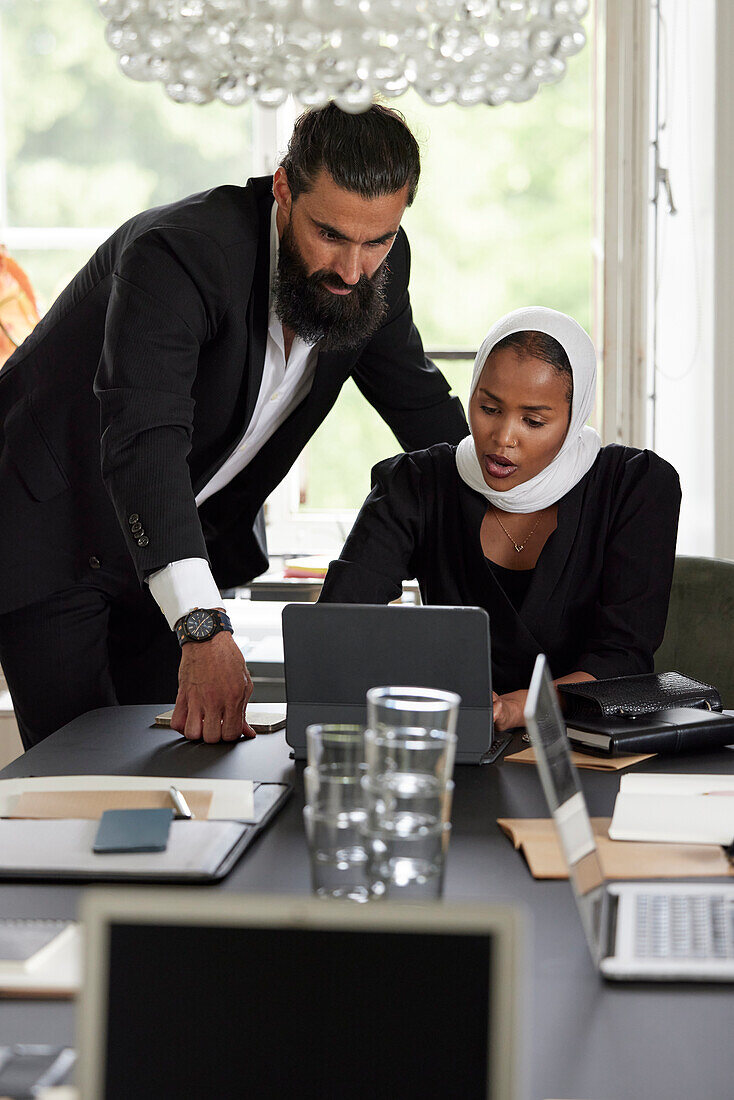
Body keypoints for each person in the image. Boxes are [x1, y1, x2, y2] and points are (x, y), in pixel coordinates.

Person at [0, 103, 468, 749]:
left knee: (173, 758)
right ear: (283, 189)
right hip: (51, 528)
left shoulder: (376, 265)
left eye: (378, 240)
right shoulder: (183, 253)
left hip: (166, 542)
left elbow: (422, 408)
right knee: (80, 769)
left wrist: (520, 494)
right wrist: (201, 624)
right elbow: (147, 438)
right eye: (330, 235)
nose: (354, 269)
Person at [319, 306, 682, 730]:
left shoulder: (635, 486)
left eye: (533, 420)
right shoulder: (416, 483)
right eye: (489, 408)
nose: (503, 437)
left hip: (589, 741)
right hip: (460, 736)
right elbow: (337, 623)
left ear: (575, 415)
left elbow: (625, 657)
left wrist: (516, 708)